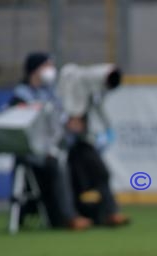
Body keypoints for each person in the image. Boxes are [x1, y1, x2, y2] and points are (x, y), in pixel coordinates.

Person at [9, 52, 92, 230]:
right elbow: (20, 131)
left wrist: (72, 125)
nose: (50, 70)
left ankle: (100, 211)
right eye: (46, 66)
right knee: (58, 165)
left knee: (87, 154)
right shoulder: (20, 96)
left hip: (57, 146)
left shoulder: (51, 93)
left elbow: (60, 121)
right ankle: (68, 216)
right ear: (34, 70)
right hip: (34, 152)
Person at [57, 63, 129, 227]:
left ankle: (110, 212)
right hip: (60, 147)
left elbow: (84, 120)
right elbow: (70, 120)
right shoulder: (70, 85)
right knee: (66, 176)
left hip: (80, 143)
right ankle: (71, 217)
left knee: (101, 172)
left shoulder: (88, 91)